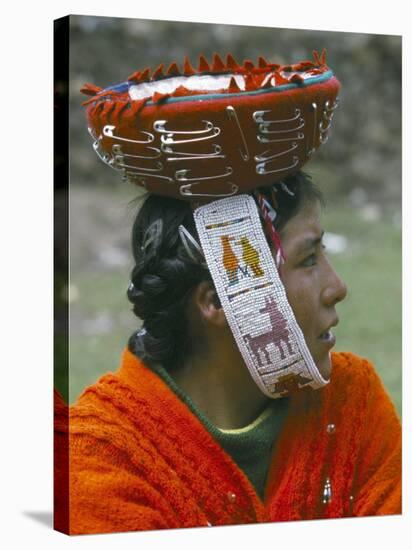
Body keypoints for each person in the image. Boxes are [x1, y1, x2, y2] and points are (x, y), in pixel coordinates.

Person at [54, 51, 401, 535]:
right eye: (307, 259)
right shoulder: (103, 455)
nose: (337, 288)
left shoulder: (351, 403)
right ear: (217, 301)